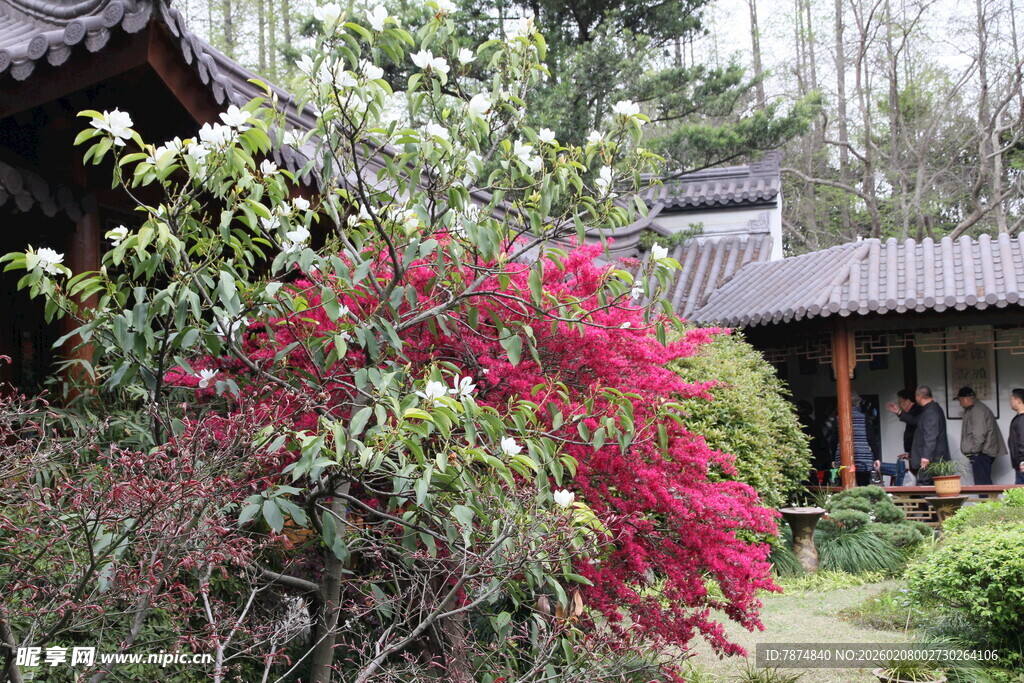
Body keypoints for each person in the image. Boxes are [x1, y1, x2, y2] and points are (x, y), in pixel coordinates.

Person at [886, 385, 950, 484]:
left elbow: (930, 435)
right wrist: (899, 412)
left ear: (919, 396)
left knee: (926, 486)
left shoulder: (931, 411)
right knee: (927, 486)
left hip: (932, 460)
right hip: (931, 459)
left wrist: (926, 456)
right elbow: (915, 421)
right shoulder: (930, 409)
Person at [955, 386, 1006, 486]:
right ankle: (987, 501)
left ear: (966, 399)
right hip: (982, 453)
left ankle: (986, 502)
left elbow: (979, 435)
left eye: (960, 400)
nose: (959, 403)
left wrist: (974, 452)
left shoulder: (977, 410)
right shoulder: (975, 409)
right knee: (983, 481)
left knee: (982, 483)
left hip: (981, 453)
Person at [833, 391, 881, 486]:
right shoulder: (864, 417)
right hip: (863, 458)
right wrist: (876, 458)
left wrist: (833, 459)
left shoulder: (839, 419)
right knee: (863, 486)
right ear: (858, 403)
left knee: (845, 485)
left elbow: (834, 440)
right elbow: (871, 439)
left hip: (843, 457)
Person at [886, 389, 922, 483]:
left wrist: (899, 412)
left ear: (908, 401)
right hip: (915, 453)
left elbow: (913, 422)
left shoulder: (917, 411)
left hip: (920, 453)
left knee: (920, 479)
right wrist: (909, 453)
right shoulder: (913, 412)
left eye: (900, 402)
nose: (900, 406)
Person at [1008, 388, 1024, 485]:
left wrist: (1022, 461)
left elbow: (1022, 441)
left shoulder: (1022, 419)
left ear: (1018, 401)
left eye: (1012, 399)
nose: (1011, 402)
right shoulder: (1019, 418)